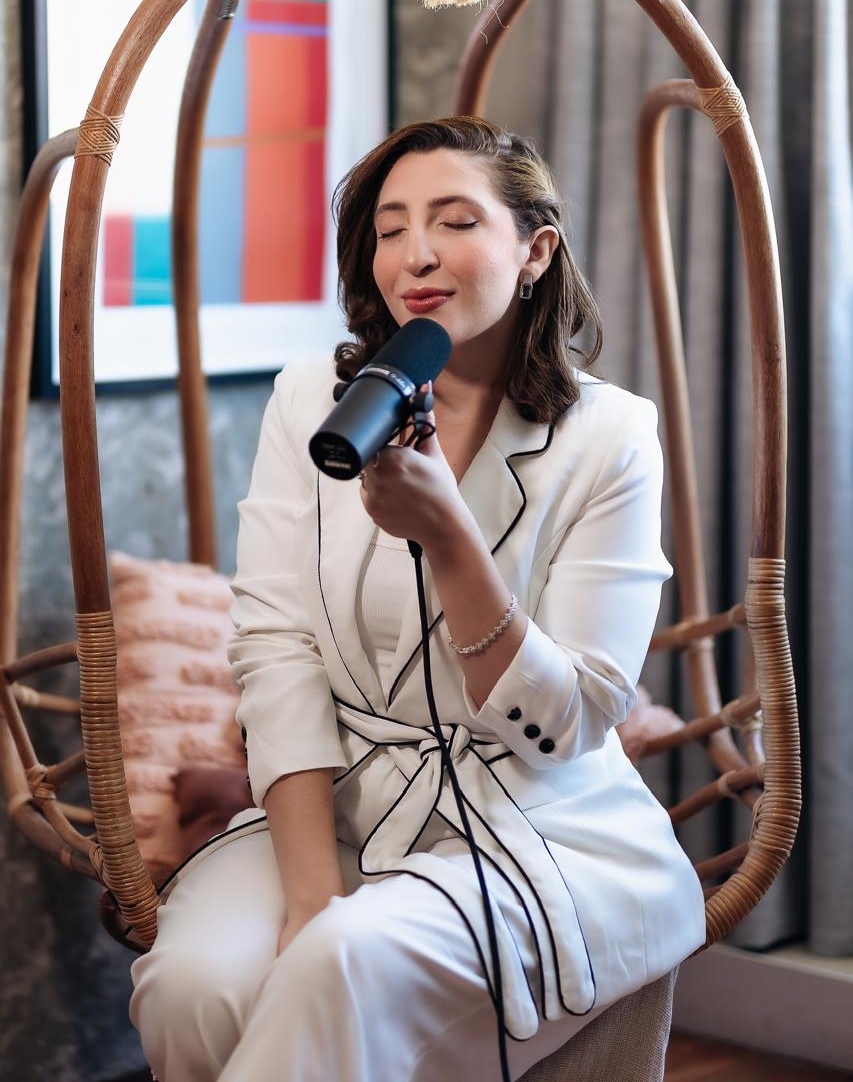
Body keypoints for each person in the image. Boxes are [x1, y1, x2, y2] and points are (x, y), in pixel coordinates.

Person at [129, 116, 707, 1081]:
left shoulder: (611, 436)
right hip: (336, 808)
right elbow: (274, 647)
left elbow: (572, 719)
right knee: (194, 985)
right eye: (390, 228)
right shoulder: (312, 398)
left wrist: (449, 538)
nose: (415, 254)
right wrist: (312, 895)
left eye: (454, 221)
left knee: (341, 964)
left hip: (538, 823)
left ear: (535, 251)